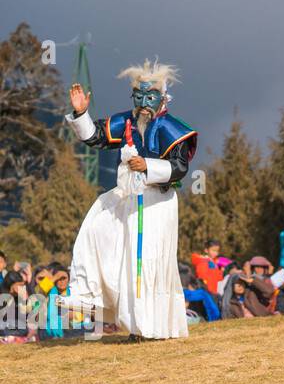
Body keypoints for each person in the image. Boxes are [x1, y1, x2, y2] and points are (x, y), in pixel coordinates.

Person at [63, 60, 196, 338]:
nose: (144, 103)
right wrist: (81, 113)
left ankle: (154, 327)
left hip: (157, 205)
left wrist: (148, 166)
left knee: (149, 261)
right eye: (139, 96)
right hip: (128, 200)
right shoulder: (126, 121)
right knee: (105, 240)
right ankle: (130, 323)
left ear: (162, 98)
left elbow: (179, 168)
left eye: (151, 97)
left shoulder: (172, 128)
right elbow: (97, 136)